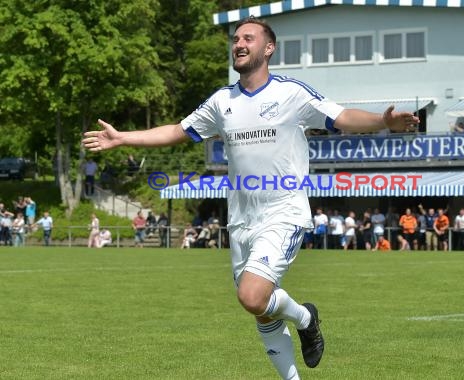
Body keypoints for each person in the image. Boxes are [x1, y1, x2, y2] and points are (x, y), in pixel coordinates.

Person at [82, 16, 418, 378]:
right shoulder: (221, 100)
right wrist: (122, 138)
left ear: (268, 48)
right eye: (236, 39)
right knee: (259, 310)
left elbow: (342, 116)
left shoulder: (291, 93)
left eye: (248, 38)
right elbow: (178, 131)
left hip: (283, 212)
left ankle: (306, 318)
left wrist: (383, 122)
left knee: (252, 295)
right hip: (241, 219)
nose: (239, 44)